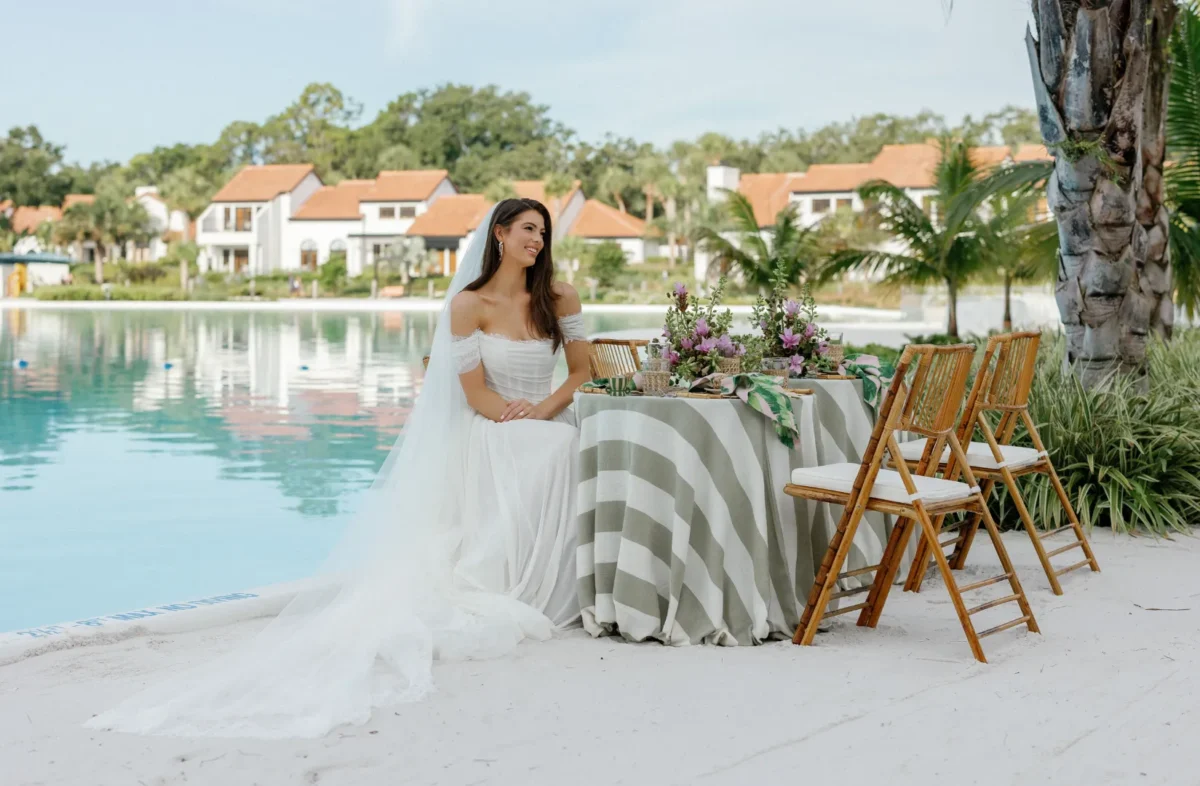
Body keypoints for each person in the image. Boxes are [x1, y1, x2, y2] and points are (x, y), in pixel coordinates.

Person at [85, 199, 592, 739]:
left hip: (546, 414)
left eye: (543, 232)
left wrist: (542, 412)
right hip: (491, 426)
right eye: (528, 230)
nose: (538, 241)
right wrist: (514, 422)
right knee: (540, 450)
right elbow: (474, 394)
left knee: (563, 448)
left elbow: (581, 370)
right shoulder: (469, 304)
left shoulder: (558, 296)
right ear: (500, 234)